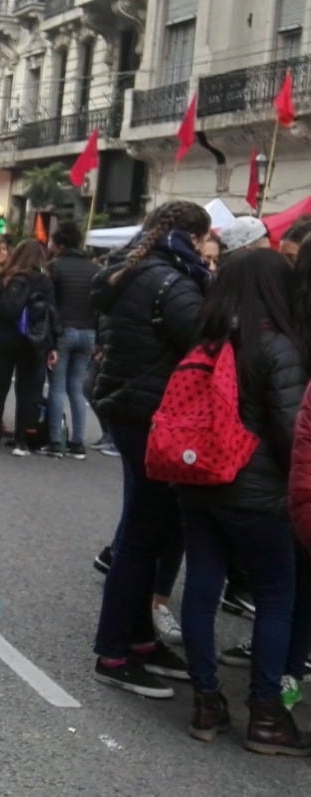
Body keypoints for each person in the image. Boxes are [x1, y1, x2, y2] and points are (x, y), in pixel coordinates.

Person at [175, 249, 309, 753]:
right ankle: (267, 715)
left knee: (202, 587)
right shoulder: (277, 346)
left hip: (196, 481)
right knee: (278, 596)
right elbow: (294, 431)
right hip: (256, 494)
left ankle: (206, 702)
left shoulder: (207, 340)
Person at [90, 201, 211, 699]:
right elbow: (205, 338)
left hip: (131, 407)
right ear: (193, 236)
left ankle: (138, 638)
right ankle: (114, 651)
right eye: (207, 241)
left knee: (154, 529)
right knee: (144, 535)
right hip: (154, 412)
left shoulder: (133, 269)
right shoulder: (172, 279)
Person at [0, 239, 55, 456]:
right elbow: (51, 314)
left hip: (4, 337)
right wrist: (52, 345)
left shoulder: (4, 278)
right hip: (32, 341)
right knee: (25, 390)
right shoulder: (44, 281)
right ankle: (20, 441)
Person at [46, 221, 99, 459]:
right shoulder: (94, 269)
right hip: (88, 332)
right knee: (76, 388)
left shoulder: (54, 267)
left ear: (59, 244)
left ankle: (55, 441)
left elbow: (50, 303)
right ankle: (78, 442)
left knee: (57, 387)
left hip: (63, 332)